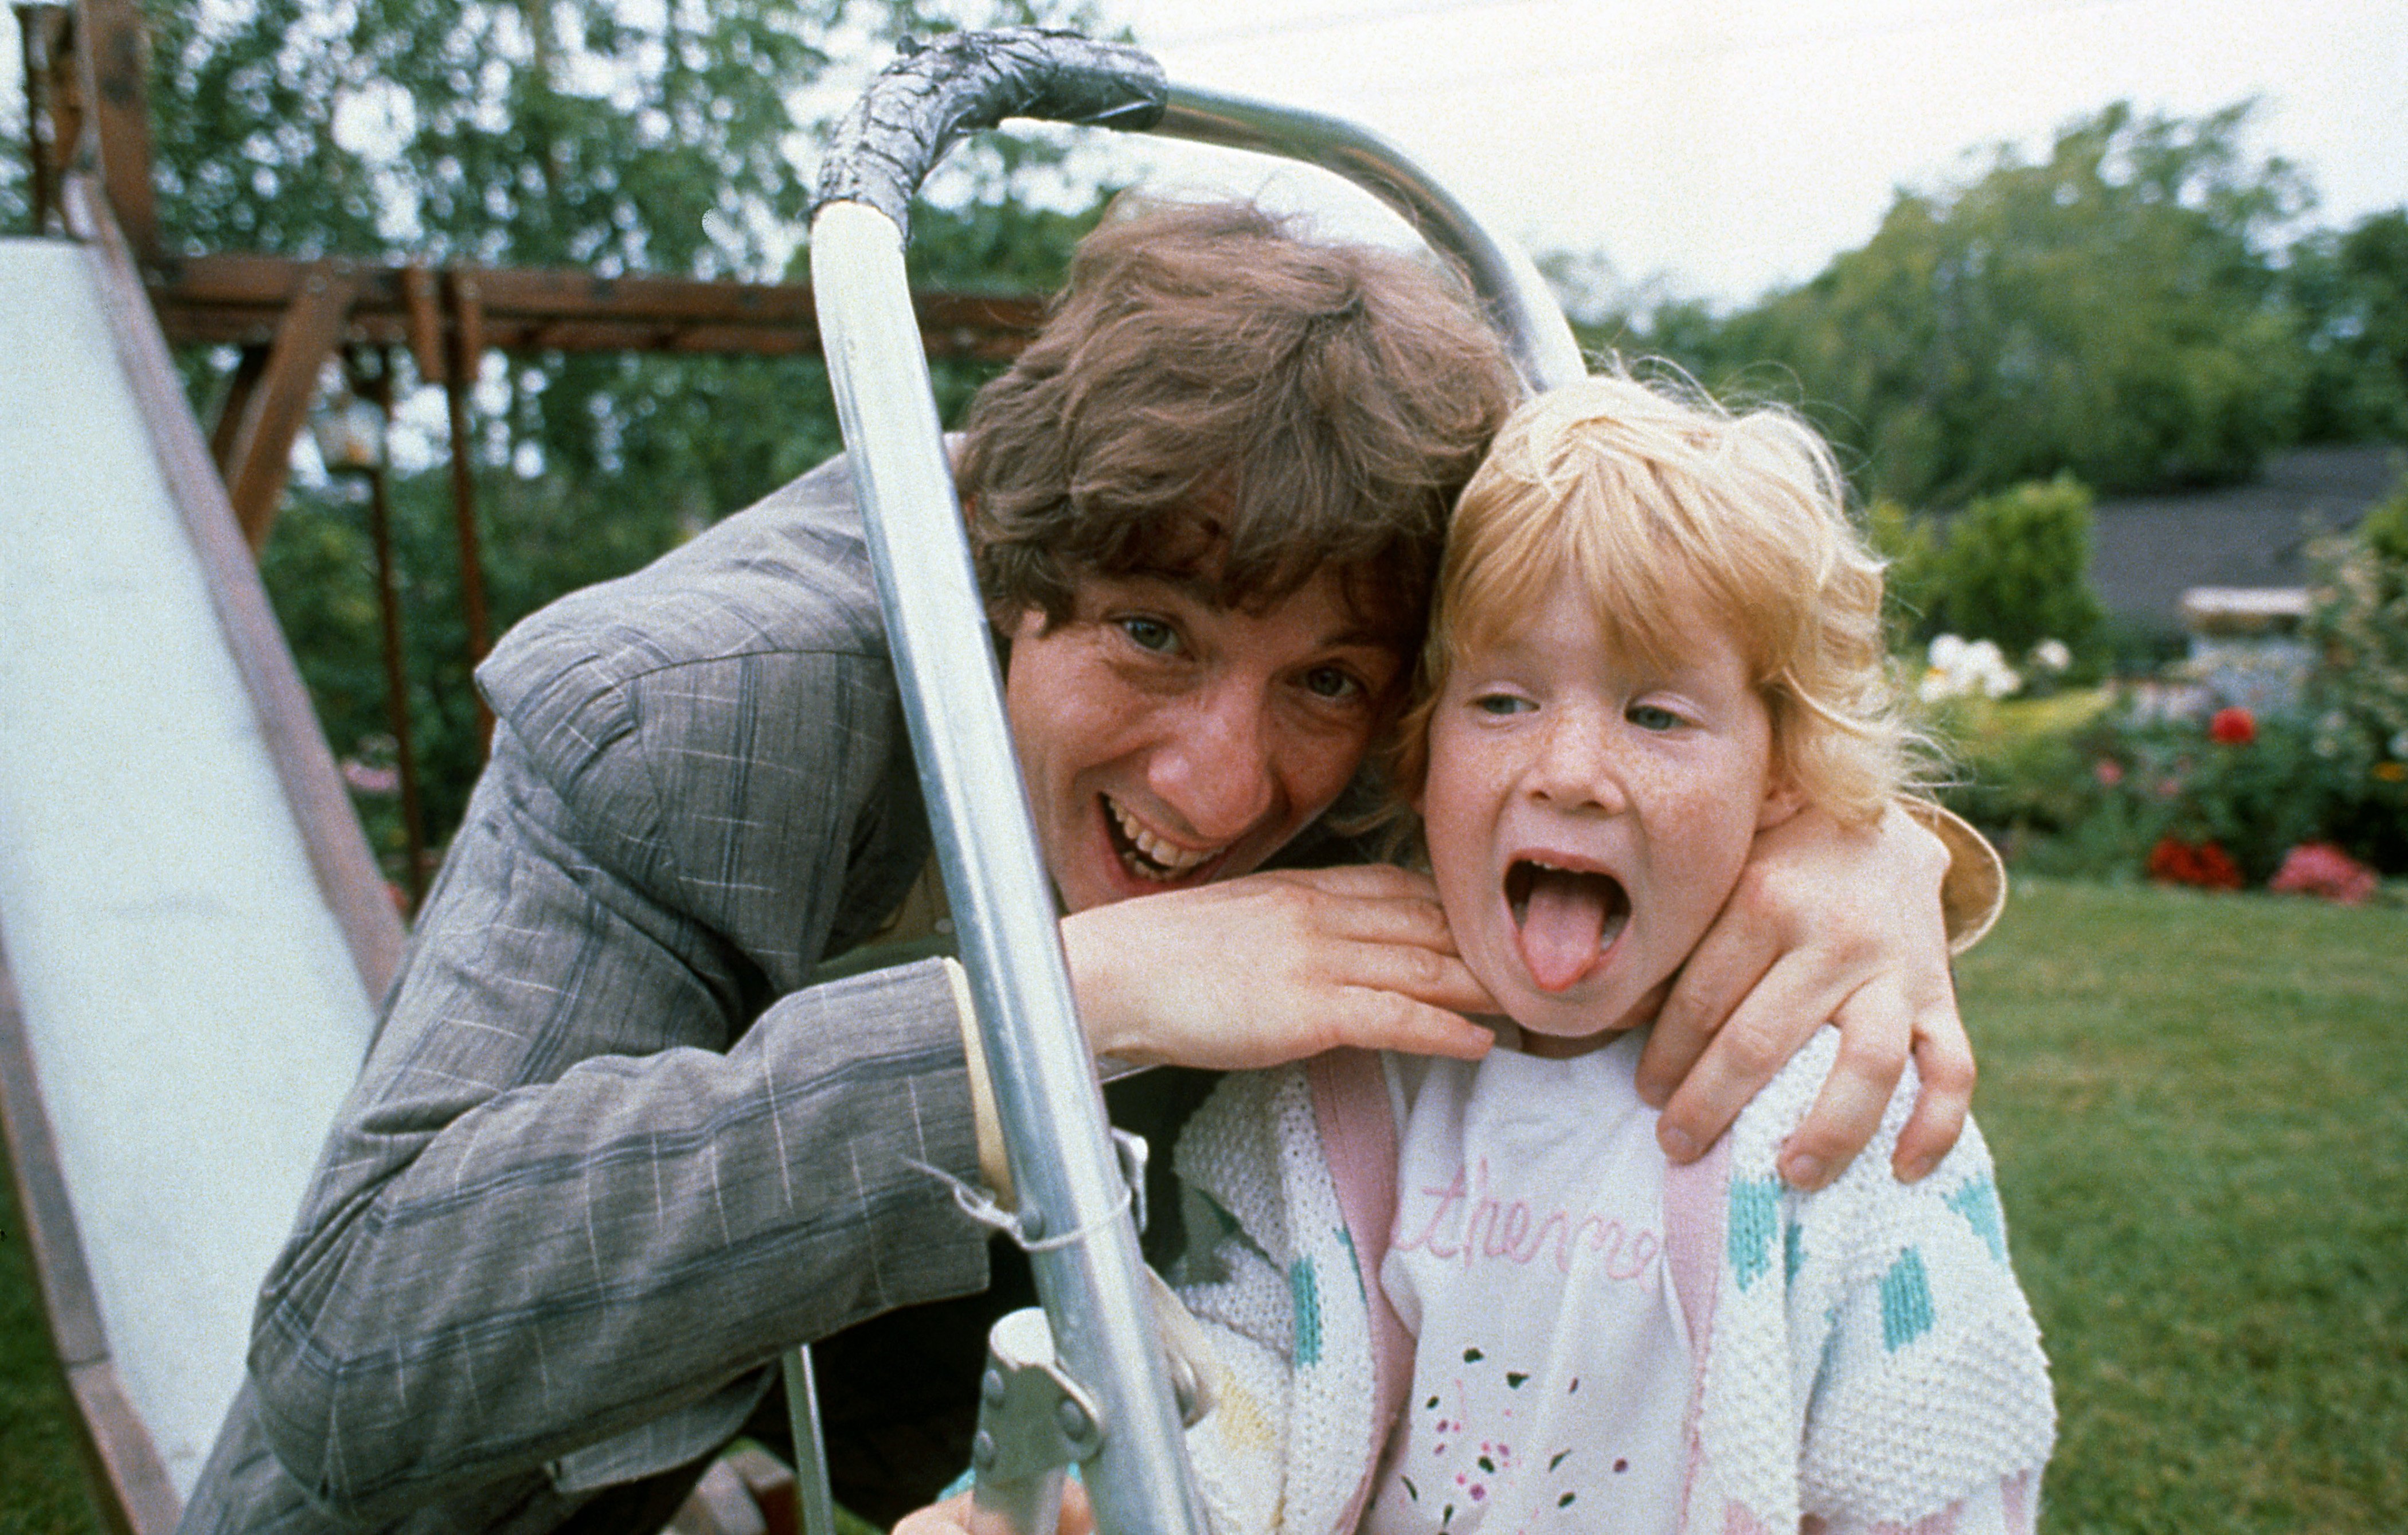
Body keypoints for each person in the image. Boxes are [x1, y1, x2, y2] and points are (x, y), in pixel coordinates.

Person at [180, 202, 1996, 1534]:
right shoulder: (693, 715)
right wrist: (1062, 1015)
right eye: (1147, 632)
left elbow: (1635, 686)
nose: (1219, 782)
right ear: (1001, 573)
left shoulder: (1408, 726)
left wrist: (1862, 841)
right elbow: (359, 1349)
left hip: (1022, 1406)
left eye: (1332, 682)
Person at [1120, 374, 2053, 1535]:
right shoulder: (1346, 1082)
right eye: (1503, 700)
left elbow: (1940, 1466)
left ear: (1780, 781)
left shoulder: (1839, 1116)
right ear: (1420, 754)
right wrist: (1121, 1493)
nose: (1568, 768)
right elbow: (1252, 1370)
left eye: (1656, 717)